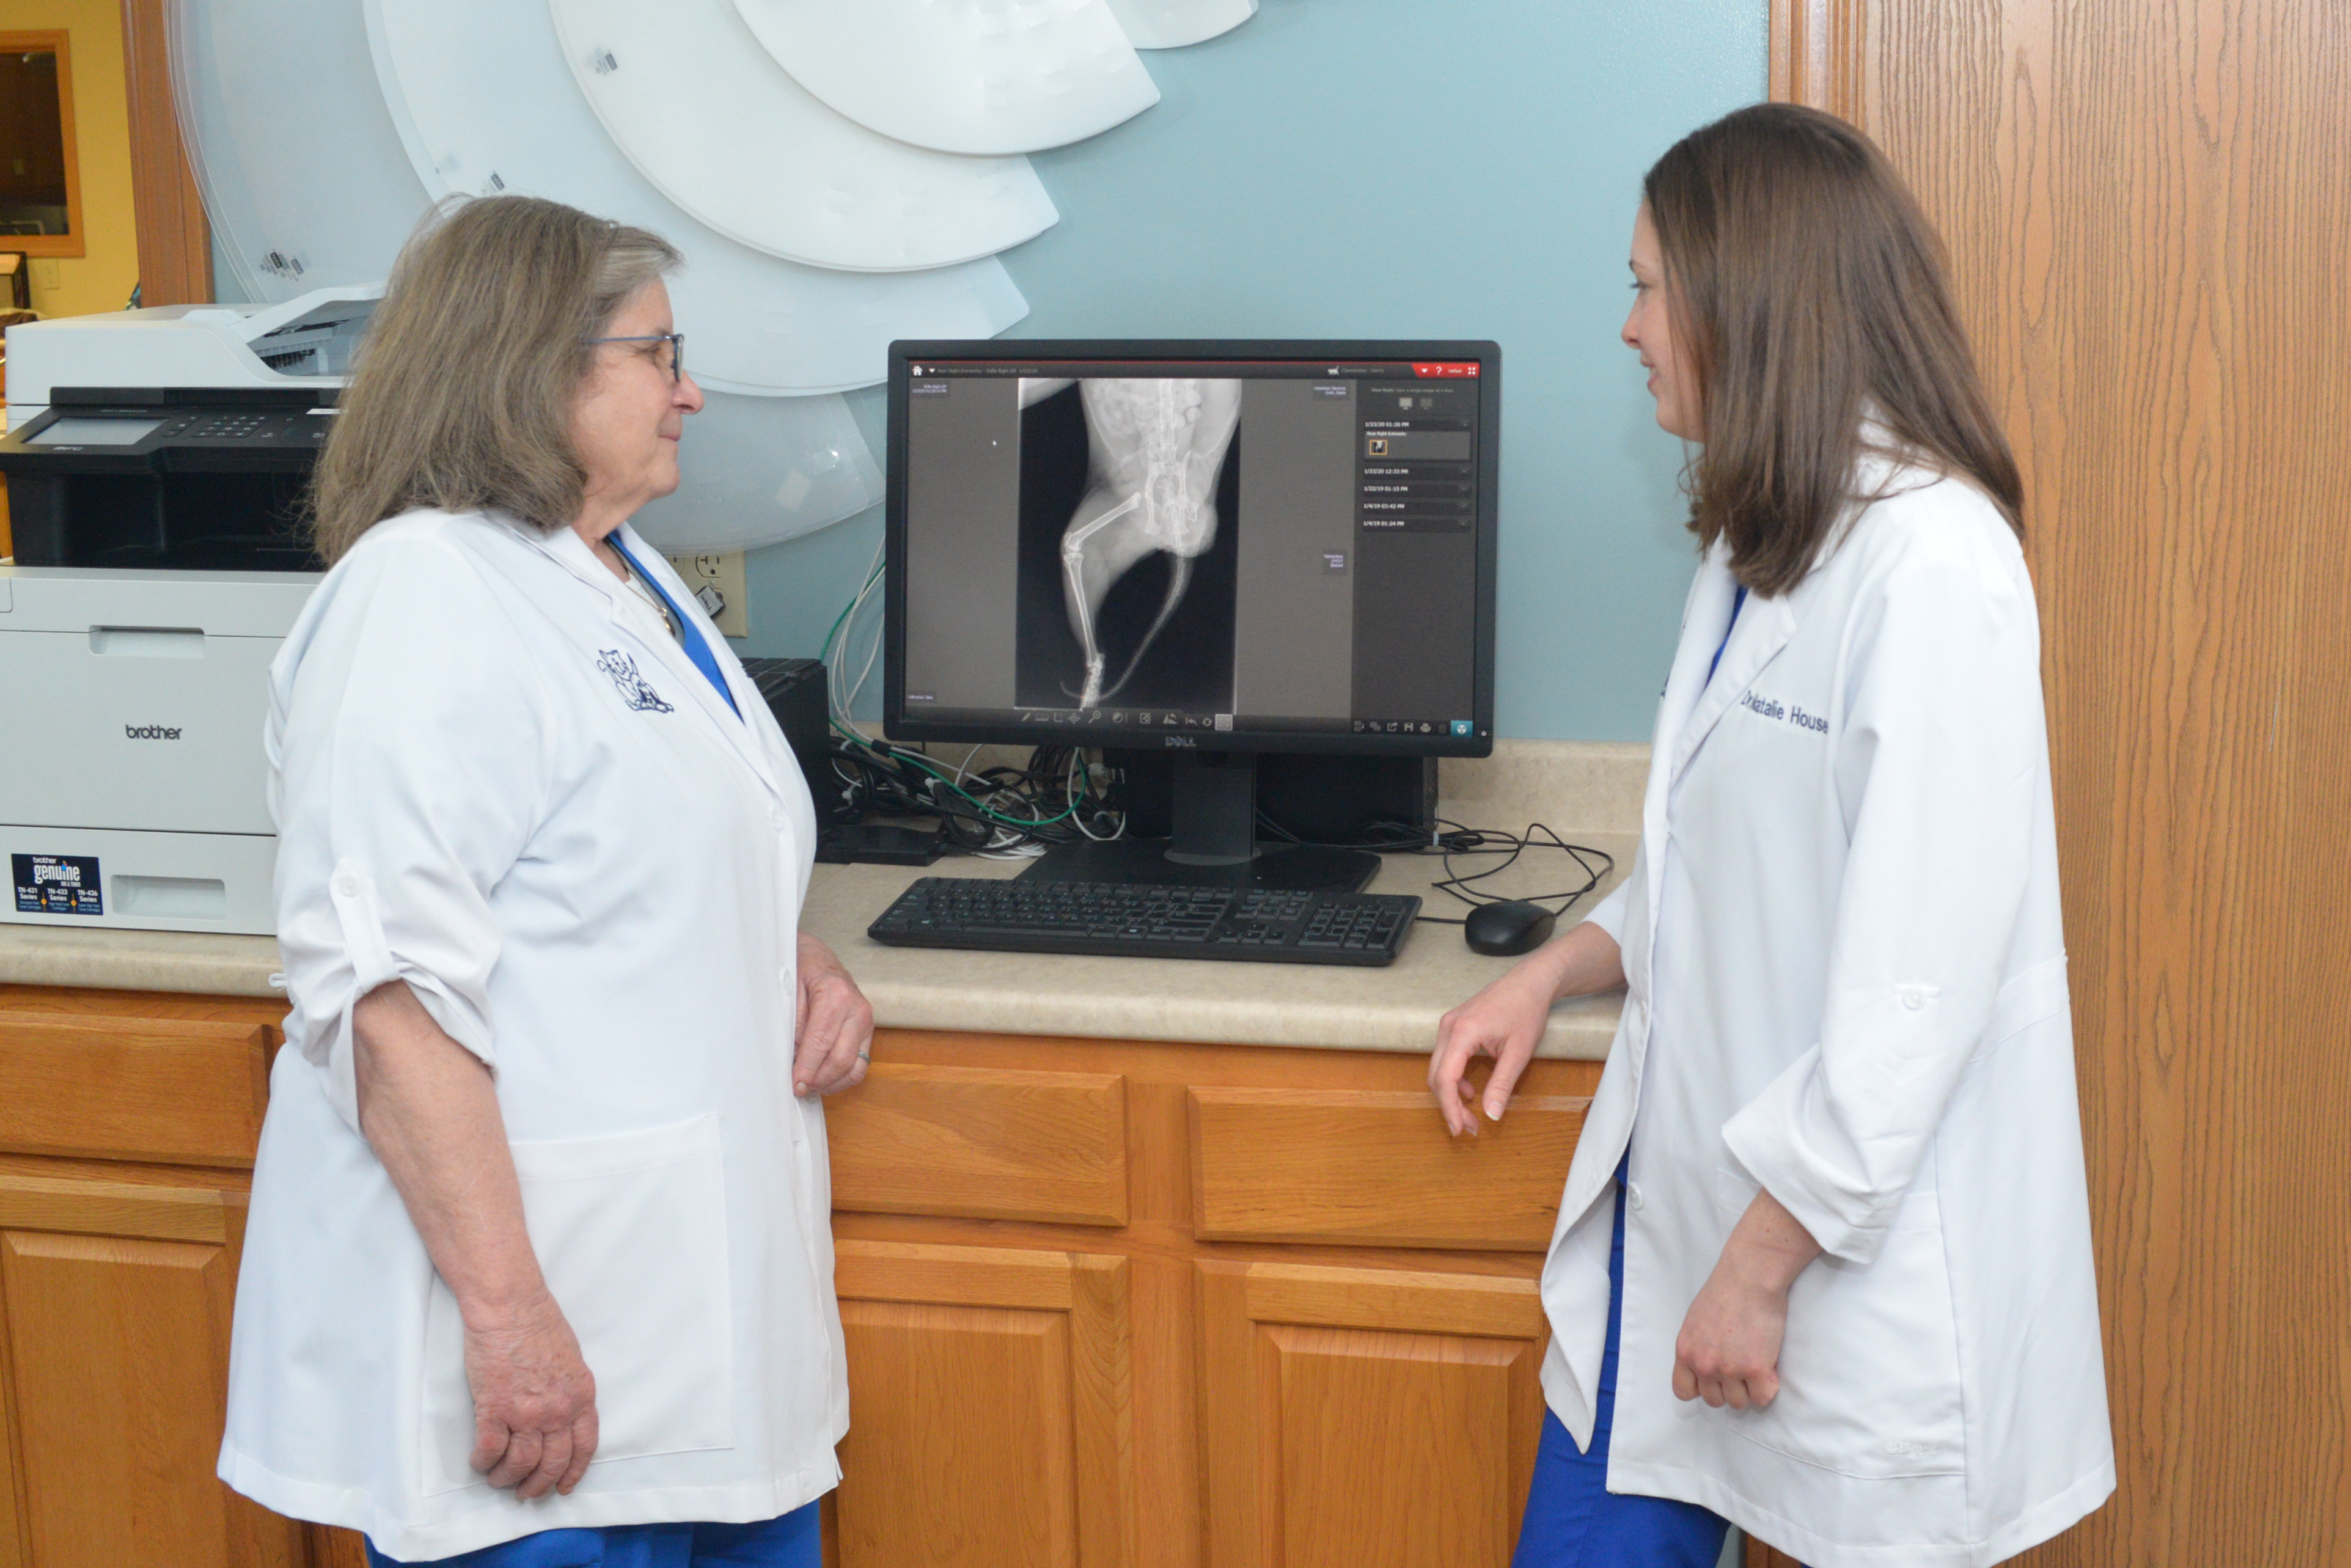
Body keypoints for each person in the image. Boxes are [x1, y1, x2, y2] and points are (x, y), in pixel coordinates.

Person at [1429, 104, 2114, 1567]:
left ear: (1748, 300)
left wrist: (1756, 1266)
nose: (1627, 328)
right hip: (1688, 1242)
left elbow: (1911, 989)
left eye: (1645, 285)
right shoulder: (1764, 543)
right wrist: (1553, 968)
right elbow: (1718, 863)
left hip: (1818, 1274)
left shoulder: (1934, 565)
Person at [217, 196, 875, 1566]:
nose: (689, 390)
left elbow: (636, 840)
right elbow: (387, 1003)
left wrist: (777, 947)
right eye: (658, 353)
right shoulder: (424, 593)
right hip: (535, 1375)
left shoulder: (619, 573)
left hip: (695, 1340)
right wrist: (511, 1320)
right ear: (534, 364)